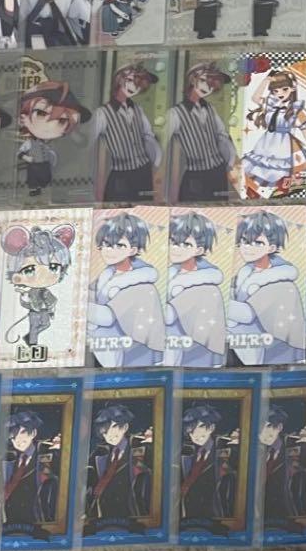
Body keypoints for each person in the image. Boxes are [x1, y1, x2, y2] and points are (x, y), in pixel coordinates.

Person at [228, 212, 306, 364]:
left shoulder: (281, 283)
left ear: (271, 247)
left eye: (258, 243)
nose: (248, 248)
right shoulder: (245, 273)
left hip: (277, 354)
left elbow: (247, 315)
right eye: (245, 241)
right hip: (247, 349)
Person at [87, 213, 165, 367]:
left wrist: (77, 307)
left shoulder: (141, 285)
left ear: (133, 249)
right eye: (107, 244)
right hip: (104, 348)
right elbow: (89, 294)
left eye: (119, 245)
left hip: (133, 354)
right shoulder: (106, 274)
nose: (110, 250)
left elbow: (106, 317)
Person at [168, 63, 237, 202]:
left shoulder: (210, 108)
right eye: (203, 81)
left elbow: (222, 135)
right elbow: (163, 142)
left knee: (220, 210)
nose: (207, 87)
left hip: (218, 173)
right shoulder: (175, 113)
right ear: (193, 79)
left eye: (211, 85)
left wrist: (229, 162)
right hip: (195, 176)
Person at [165, 212, 226, 367]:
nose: (177, 249)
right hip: (169, 344)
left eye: (186, 245)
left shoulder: (207, 285)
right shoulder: (167, 273)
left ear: (198, 250)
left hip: (197, 350)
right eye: (174, 243)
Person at [94, 63, 162, 202]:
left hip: (143, 173)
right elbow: (89, 142)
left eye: (138, 85)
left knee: (144, 209)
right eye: (130, 80)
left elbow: (149, 136)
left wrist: (155, 162)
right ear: (119, 79)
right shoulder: (102, 113)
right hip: (121, 175)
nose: (134, 87)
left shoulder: (138, 109)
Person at [1, 224, 74, 348]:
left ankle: (29, 338)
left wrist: (51, 310)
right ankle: (32, 344)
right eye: (29, 270)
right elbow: (25, 303)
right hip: (34, 312)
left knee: (46, 324)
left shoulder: (45, 291)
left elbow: (52, 301)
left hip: (44, 311)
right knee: (34, 327)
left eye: (53, 267)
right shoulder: (30, 292)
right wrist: (25, 298)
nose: (43, 277)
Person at [16, 80, 91, 196]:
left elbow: (82, 142)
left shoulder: (65, 136)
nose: (50, 122)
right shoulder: (27, 139)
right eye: (41, 114)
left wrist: (69, 129)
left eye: (61, 119)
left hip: (60, 179)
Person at [86, 404, 150, 526]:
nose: (109, 436)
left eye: (112, 428)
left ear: (124, 427)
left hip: (133, 512)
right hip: (104, 515)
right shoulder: (99, 454)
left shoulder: (141, 449)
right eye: (104, 433)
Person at [2, 410, 58, 526]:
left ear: (33, 433)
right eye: (13, 437)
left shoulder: (48, 458)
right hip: (12, 523)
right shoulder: (8, 461)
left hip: (39, 521)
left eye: (22, 432)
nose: (17, 440)